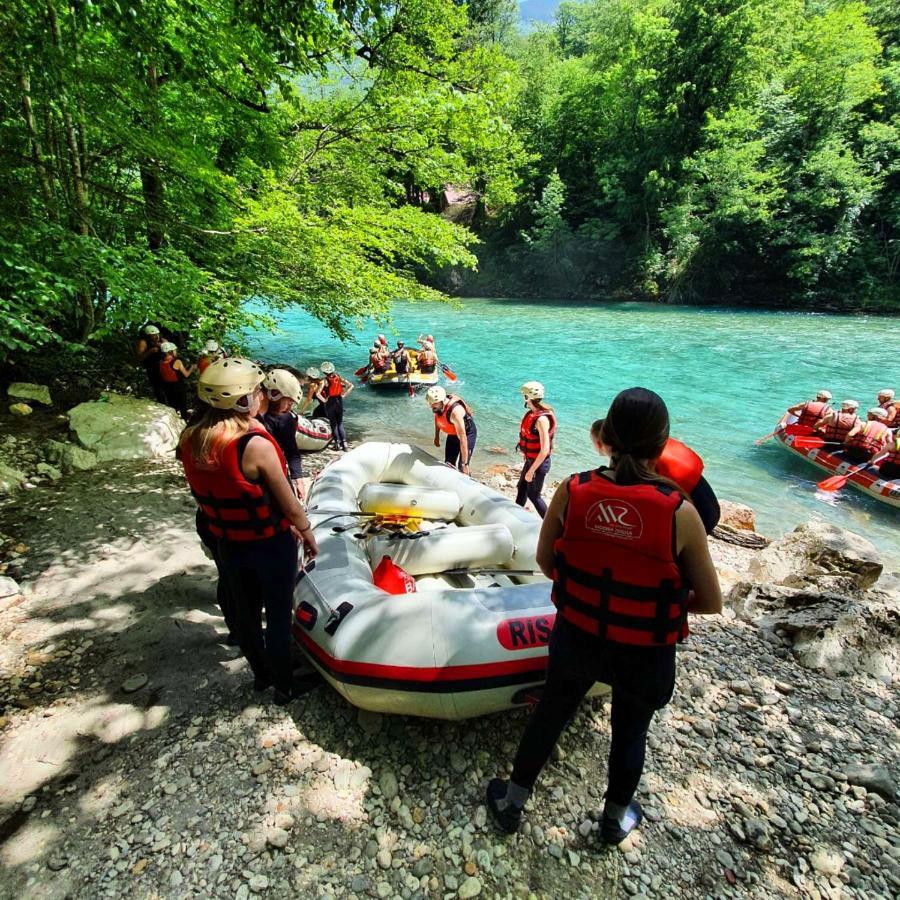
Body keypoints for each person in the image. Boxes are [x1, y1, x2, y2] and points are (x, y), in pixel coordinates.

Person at [486, 387, 722, 844]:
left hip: (578, 636)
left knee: (551, 713)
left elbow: (547, 562)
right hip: (646, 652)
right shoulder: (681, 512)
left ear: (607, 437)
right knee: (630, 732)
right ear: (663, 444)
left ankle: (512, 803)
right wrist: (657, 608)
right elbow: (711, 601)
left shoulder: (573, 490)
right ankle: (613, 821)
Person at [179, 357, 319, 705]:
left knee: (245, 612)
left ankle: (261, 676)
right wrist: (306, 531)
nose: (263, 396)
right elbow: (287, 501)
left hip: (226, 541)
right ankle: (285, 686)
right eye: (257, 391)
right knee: (276, 612)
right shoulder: (252, 444)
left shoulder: (191, 437)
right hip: (268, 544)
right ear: (242, 400)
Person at [592, 421, 721, 535]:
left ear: (602, 443)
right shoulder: (648, 441)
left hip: (700, 512)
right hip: (709, 501)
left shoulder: (633, 460)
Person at [260, 368, 305, 498]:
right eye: (289, 402)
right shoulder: (255, 417)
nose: (290, 407)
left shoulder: (286, 419)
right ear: (275, 396)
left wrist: (298, 479)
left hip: (274, 470)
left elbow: (291, 451)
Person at [516, 381, 556, 518]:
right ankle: (516, 515)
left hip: (539, 463)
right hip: (531, 460)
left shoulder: (541, 420)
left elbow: (544, 449)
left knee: (534, 495)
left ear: (527, 398)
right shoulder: (533, 414)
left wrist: (531, 470)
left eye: (523, 396)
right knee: (521, 488)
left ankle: (549, 523)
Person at [427, 385, 476, 473]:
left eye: (434, 404)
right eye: (430, 404)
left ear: (442, 401)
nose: (432, 406)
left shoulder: (455, 412)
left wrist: (465, 464)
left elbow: (463, 438)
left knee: (462, 467)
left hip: (467, 434)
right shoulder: (438, 407)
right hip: (453, 435)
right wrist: (436, 436)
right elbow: (438, 419)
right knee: (448, 464)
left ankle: (468, 481)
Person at [316, 362, 353, 451]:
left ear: (323, 371)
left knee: (333, 423)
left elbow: (317, 393)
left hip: (330, 402)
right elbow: (351, 386)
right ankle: (344, 443)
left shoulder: (324, 381)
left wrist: (324, 400)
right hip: (339, 400)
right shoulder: (339, 377)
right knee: (340, 423)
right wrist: (344, 395)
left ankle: (337, 443)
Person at [158, 341, 195, 419]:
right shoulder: (177, 361)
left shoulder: (161, 362)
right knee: (182, 406)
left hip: (167, 387)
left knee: (173, 406)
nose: (176, 352)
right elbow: (186, 374)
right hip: (178, 387)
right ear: (170, 352)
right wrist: (192, 367)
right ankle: (184, 420)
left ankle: (173, 420)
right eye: (174, 350)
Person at [135, 324, 165, 402]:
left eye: (157, 334)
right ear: (148, 336)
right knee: (158, 388)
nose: (156, 337)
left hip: (165, 367)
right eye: (153, 335)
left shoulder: (163, 341)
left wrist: (163, 346)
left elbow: (173, 353)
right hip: (153, 368)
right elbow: (139, 357)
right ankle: (163, 404)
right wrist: (150, 352)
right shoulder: (143, 342)